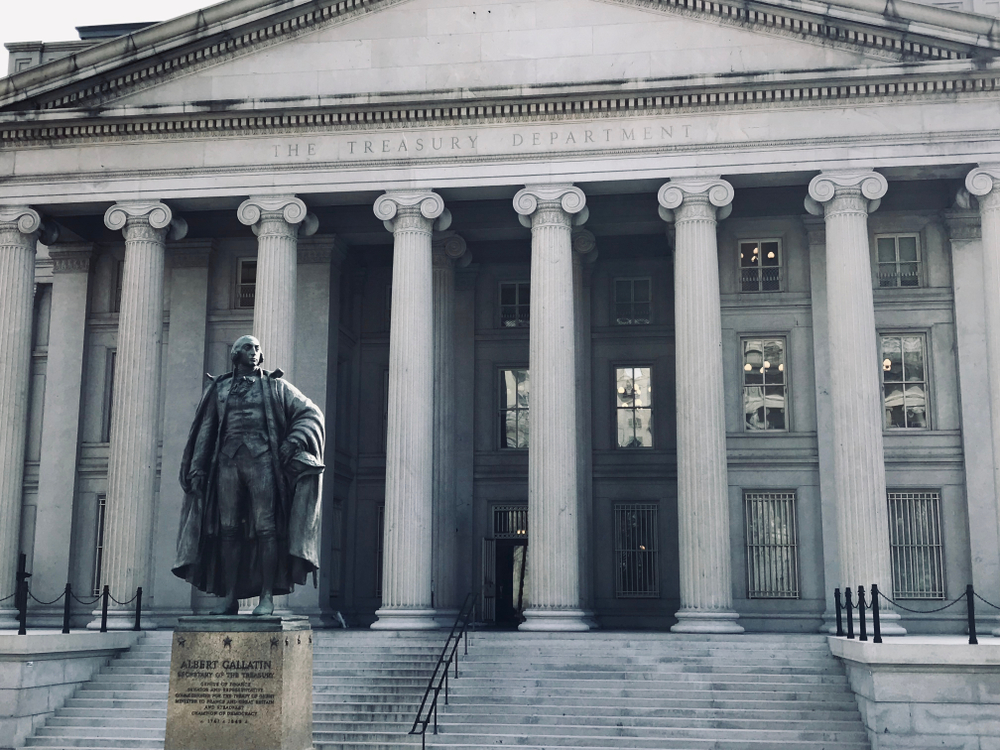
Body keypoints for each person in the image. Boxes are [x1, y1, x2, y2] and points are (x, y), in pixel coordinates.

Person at [173, 335, 324, 616]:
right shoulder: (220, 389)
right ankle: (229, 597)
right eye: (247, 348)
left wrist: (293, 440)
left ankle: (266, 597)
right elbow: (206, 430)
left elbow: (310, 413)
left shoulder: (275, 385)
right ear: (235, 354)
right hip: (227, 464)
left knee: (266, 528)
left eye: (257, 349)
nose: (254, 352)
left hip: (263, 462)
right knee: (228, 530)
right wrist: (197, 468)